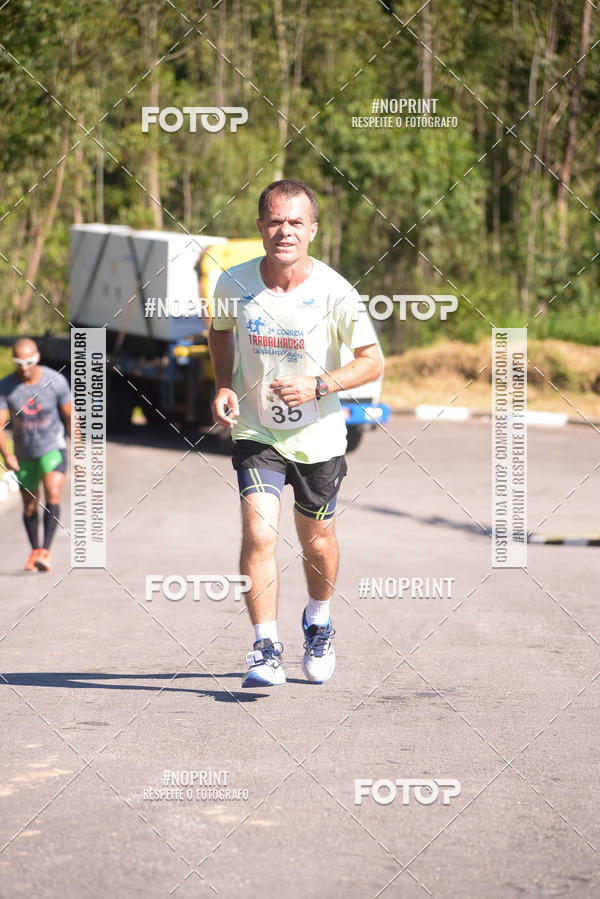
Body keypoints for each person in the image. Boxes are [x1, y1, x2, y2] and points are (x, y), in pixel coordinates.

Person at [208, 179, 382, 688]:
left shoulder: (335, 291)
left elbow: (371, 362)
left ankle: (318, 621)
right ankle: (265, 648)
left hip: (319, 438)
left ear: (313, 230)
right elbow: (219, 331)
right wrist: (223, 384)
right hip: (256, 431)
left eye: (296, 222)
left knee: (317, 542)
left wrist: (319, 384)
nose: (285, 231)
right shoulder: (233, 283)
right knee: (260, 533)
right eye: (276, 221)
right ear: (261, 227)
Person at [0, 338, 71, 572]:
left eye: (29, 362)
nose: (24, 367)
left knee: (52, 491)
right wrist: (7, 455)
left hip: (53, 446)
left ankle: (45, 552)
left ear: (37, 357)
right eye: (19, 363)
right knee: (29, 506)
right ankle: (35, 550)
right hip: (24, 452)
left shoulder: (55, 380)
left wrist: (79, 448)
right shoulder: (6, 386)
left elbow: (70, 416)